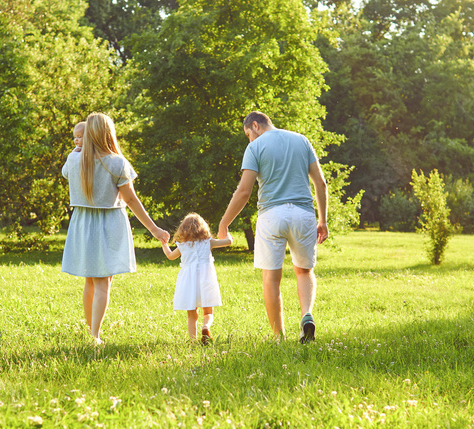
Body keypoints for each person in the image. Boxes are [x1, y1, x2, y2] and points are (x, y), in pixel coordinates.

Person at [217, 111, 328, 343]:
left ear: (255, 126)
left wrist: (224, 222)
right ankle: (306, 314)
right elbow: (321, 183)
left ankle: (279, 338)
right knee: (304, 271)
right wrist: (322, 220)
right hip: (303, 214)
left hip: (272, 216)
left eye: (248, 134)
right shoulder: (301, 140)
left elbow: (244, 191)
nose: (249, 139)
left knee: (271, 278)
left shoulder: (255, 148)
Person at [61, 112, 169, 344]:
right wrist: (154, 229)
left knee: (90, 280)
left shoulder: (73, 159)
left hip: (81, 223)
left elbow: (65, 172)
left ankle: (91, 330)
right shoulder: (117, 163)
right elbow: (131, 200)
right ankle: (95, 335)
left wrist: (75, 152)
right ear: (109, 133)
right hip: (108, 225)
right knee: (103, 282)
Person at [161, 213, 233, 344]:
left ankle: (193, 341)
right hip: (206, 279)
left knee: (192, 314)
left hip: (189, 282)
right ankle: (206, 327)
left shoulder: (182, 245)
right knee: (208, 312)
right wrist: (227, 233)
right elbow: (228, 242)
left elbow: (170, 256)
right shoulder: (208, 242)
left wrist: (164, 244)